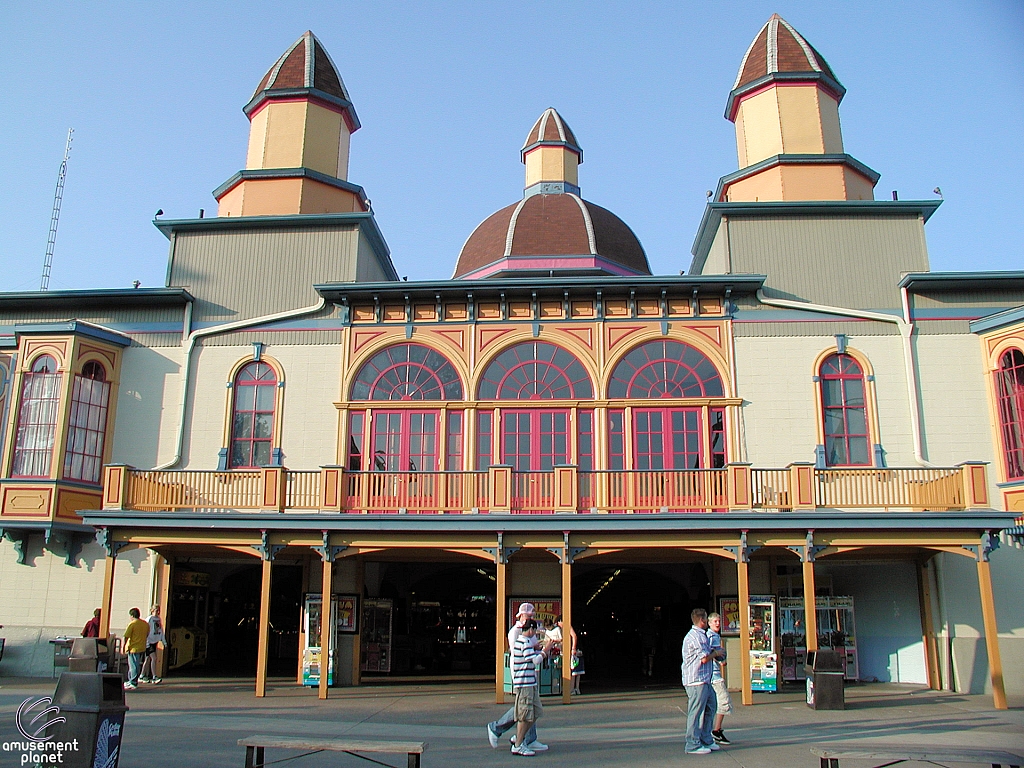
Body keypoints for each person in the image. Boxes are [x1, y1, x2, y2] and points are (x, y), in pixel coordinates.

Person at [487, 603, 547, 752]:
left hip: (530, 673)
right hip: (522, 674)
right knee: (523, 708)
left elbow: (531, 648)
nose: (531, 618)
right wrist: (543, 650)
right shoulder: (516, 632)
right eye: (529, 616)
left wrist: (538, 647)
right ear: (521, 615)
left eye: (532, 616)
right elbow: (521, 652)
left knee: (530, 707)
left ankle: (528, 738)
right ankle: (498, 728)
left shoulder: (526, 633)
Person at [682, 608, 721, 755]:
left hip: (705, 679)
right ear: (702, 621)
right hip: (696, 680)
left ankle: (706, 738)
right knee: (696, 712)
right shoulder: (695, 637)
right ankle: (692, 743)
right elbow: (704, 658)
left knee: (711, 706)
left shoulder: (702, 635)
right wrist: (716, 653)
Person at [510, 619, 547, 757]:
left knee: (536, 712)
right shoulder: (524, 642)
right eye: (535, 631)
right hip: (525, 685)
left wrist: (538, 650)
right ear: (530, 629)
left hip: (531, 684)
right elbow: (535, 660)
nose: (535, 635)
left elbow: (531, 657)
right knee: (525, 715)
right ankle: (518, 745)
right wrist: (545, 650)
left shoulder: (527, 643)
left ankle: (519, 737)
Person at [706, 612, 733, 744]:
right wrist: (718, 655)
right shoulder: (711, 636)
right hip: (714, 676)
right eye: (714, 621)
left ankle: (709, 731)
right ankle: (716, 730)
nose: (717, 624)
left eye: (718, 621)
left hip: (711, 674)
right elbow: (707, 653)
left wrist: (720, 659)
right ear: (709, 623)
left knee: (711, 704)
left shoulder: (714, 636)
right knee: (724, 701)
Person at [123, 607, 150, 690]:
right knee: (137, 664)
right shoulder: (145, 624)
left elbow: (126, 636)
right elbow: (147, 634)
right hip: (142, 646)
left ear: (131, 615)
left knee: (133, 665)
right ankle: (131, 680)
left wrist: (124, 646)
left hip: (133, 647)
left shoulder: (132, 624)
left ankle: (133, 681)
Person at [140, 605, 166, 684]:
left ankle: (142, 675)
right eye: (155, 610)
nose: (157, 612)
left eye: (158, 610)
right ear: (152, 610)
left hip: (155, 641)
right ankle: (154, 676)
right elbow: (145, 630)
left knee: (147, 659)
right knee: (154, 658)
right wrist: (146, 641)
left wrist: (163, 641)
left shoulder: (158, 619)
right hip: (149, 642)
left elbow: (160, 630)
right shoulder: (149, 619)